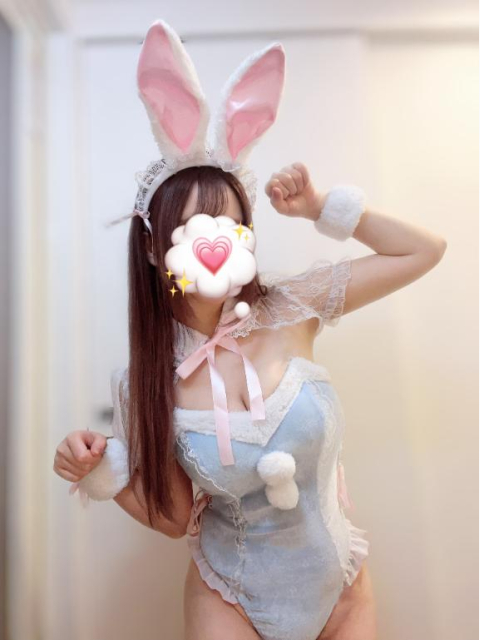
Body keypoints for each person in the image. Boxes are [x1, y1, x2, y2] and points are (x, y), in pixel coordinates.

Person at [53, 20, 448, 640]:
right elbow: (174, 518)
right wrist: (100, 471)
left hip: (342, 592)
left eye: (229, 227)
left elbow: (423, 252)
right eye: (191, 228)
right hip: (228, 598)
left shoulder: (294, 306)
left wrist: (322, 208)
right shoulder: (144, 380)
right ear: (154, 250)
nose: (213, 242)